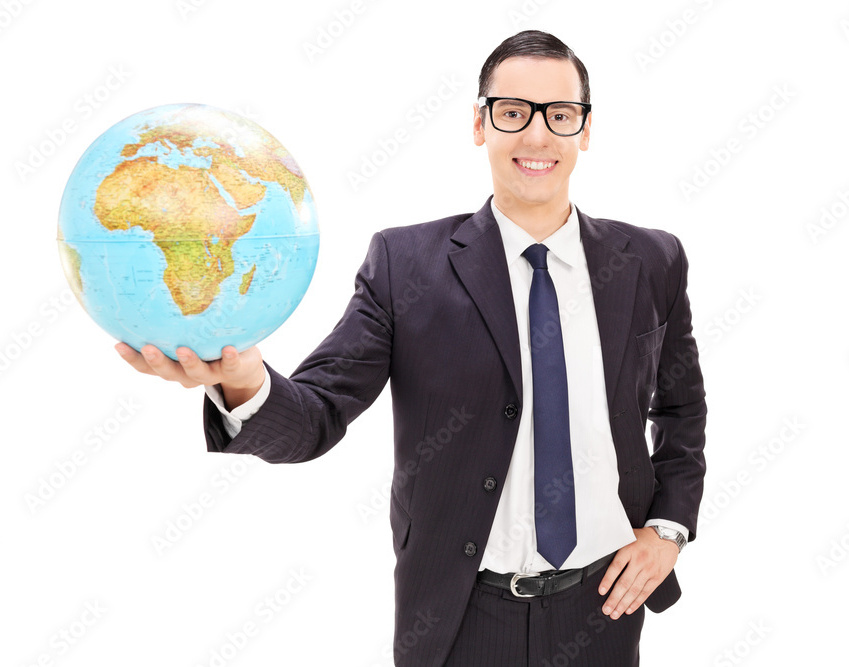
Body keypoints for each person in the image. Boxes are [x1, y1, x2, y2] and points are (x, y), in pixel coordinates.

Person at [117, 29, 707, 667]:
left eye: (560, 116)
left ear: (584, 131)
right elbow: (317, 415)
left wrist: (668, 530)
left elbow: (681, 412)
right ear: (480, 125)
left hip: (604, 607)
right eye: (514, 113)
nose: (538, 136)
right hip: (460, 616)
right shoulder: (406, 265)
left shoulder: (651, 260)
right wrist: (243, 382)